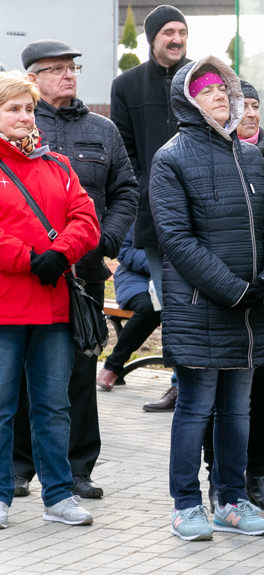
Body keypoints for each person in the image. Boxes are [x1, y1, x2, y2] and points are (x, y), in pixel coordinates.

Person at [149, 56, 264, 541]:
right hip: (203, 307)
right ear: (188, 99)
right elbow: (177, 239)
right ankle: (186, 505)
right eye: (206, 91)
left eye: (223, 90)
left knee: (238, 409)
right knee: (195, 407)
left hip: (253, 307)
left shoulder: (248, 155)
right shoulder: (171, 158)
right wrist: (233, 291)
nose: (219, 98)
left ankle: (231, 499)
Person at [11, 40, 138, 501]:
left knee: (80, 373)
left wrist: (106, 241)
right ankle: (20, 467)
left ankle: (78, 467)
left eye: (73, 67)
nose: (68, 75)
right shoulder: (20, 125)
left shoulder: (101, 129)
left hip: (83, 273)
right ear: (33, 77)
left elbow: (127, 190)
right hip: (28, 276)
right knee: (25, 377)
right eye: (56, 69)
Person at [0, 71, 100, 528]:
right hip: (6, 306)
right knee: (2, 407)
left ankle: (58, 495)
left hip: (53, 308)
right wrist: (30, 257)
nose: (23, 117)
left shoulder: (56, 164)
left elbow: (86, 218)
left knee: (53, 406)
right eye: (12, 109)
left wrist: (60, 254)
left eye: (27, 108)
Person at [202, 79, 264, 512]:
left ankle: (257, 473)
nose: (250, 112)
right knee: (218, 391)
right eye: (243, 104)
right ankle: (218, 473)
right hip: (223, 289)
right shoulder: (203, 156)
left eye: (256, 105)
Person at [111, 4, 190, 412]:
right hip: (156, 217)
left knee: (201, 300)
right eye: (168, 33)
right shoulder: (126, 86)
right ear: (152, 38)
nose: (176, 39)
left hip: (203, 213)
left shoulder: (201, 77)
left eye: (181, 32)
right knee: (171, 303)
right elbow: (125, 152)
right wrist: (150, 193)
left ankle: (193, 385)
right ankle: (180, 383)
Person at [96, 226, 162, 388]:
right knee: (149, 308)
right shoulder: (141, 215)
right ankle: (113, 366)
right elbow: (124, 251)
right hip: (135, 279)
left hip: (172, 281)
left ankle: (181, 383)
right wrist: (159, 262)